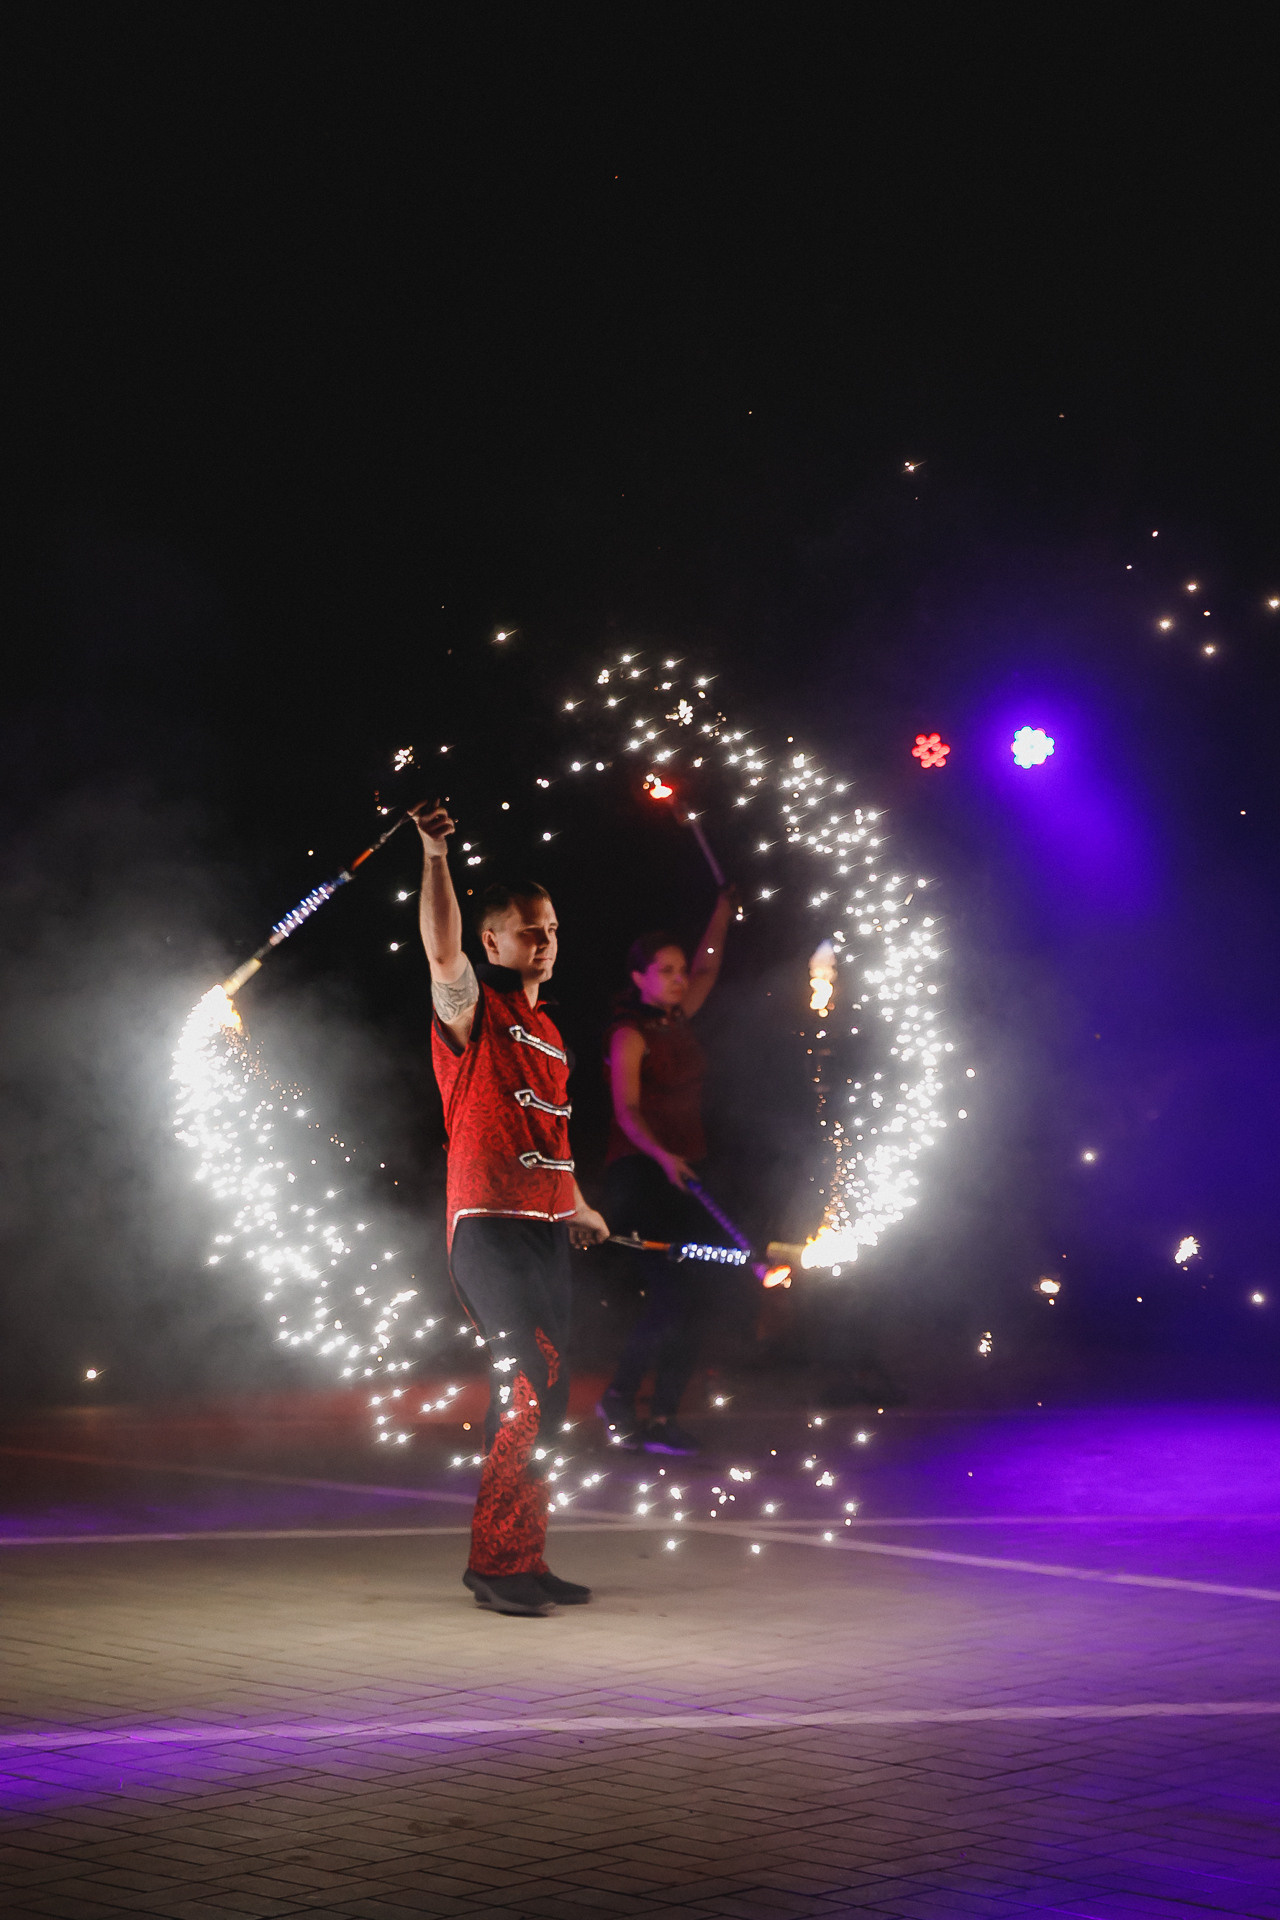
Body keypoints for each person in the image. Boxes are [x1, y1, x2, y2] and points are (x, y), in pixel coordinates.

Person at [413, 801, 608, 1618]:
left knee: (551, 1394)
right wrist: (434, 856)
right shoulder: (473, 1010)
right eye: (528, 931)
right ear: (492, 942)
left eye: (552, 929)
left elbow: (552, 1138)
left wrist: (581, 1205)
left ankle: (523, 1555)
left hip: (542, 1229)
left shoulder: (552, 1034)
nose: (544, 942)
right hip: (487, 1228)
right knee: (526, 1386)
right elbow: (439, 944)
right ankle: (493, 1564)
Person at [598, 888, 736, 1456]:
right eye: (668, 971)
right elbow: (626, 1111)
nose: (682, 979)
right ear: (640, 978)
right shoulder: (628, 1035)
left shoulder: (680, 1019)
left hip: (686, 1173)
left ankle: (661, 1419)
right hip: (642, 1175)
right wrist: (662, 1158)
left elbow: (709, 965)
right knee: (672, 1297)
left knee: (699, 1300)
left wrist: (723, 908)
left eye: (682, 971)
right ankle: (619, 1398)